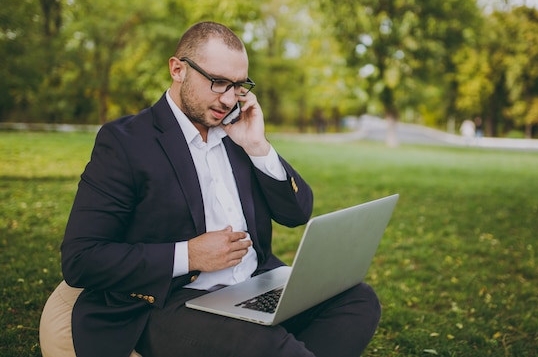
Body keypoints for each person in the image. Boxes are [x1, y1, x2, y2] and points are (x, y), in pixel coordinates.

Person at [39, 21, 381, 357]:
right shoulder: (125, 142)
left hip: (253, 284)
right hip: (170, 302)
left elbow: (297, 213)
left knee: (358, 299)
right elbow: (81, 259)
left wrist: (259, 147)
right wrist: (189, 254)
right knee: (268, 346)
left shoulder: (239, 135)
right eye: (218, 82)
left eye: (239, 85)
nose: (229, 99)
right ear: (177, 69)